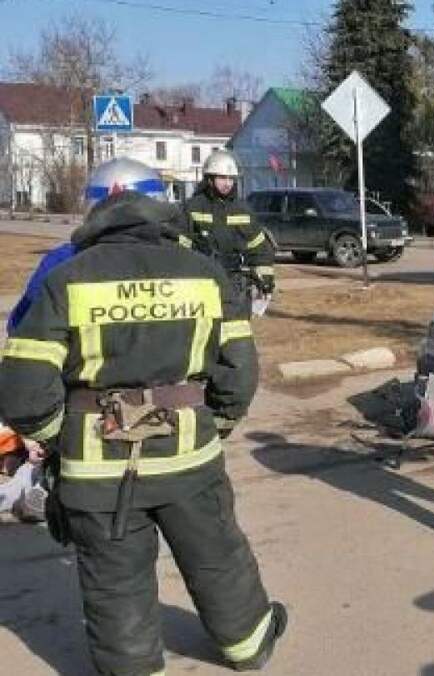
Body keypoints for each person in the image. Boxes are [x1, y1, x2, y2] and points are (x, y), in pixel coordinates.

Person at [0, 157, 286, 674]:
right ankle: (249, 646)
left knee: (115, 583)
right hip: (189, 459)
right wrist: (214, 425)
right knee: (217, 556)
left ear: (94, 211)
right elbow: (239, 373)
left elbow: (21, 388)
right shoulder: (205, 274)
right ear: (161, 208)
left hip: (97, 472)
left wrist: (61, 439)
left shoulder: (66, 279)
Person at [183, 149, 275, 317]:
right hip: (200, 281)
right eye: (222, 178)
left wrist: (266, 280)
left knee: (236, 328)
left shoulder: (242, 210)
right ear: (209, 179)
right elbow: (178, 246)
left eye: (231, 178)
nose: (227, 183)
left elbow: (260, 250)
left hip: (234, 282)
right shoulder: (192, 207)